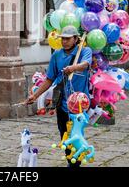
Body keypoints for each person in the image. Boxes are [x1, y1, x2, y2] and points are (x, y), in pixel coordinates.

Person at [26, 25, 92, 167]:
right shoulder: (56, 55)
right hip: (63, 103)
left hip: (80, 105)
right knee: (64, 135)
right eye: (63, 39)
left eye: (68, 39)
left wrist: (73, 68)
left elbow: (86, 64)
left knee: (76, 135)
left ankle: (75, 164)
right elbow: (49, 79)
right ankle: (71, 161)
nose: (64, 41)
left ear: (76, 39)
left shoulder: (85, 51)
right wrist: (36, 96)